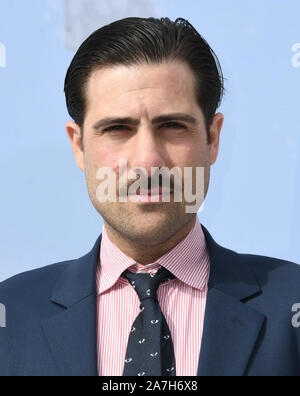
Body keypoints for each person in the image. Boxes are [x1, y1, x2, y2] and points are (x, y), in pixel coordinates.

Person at [0, 16, 299, 377]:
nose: (147, 161)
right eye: (117, 129)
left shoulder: (291, 307)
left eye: (172, 126)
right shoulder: (10, 316)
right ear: (78, 146)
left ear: (212, 138)